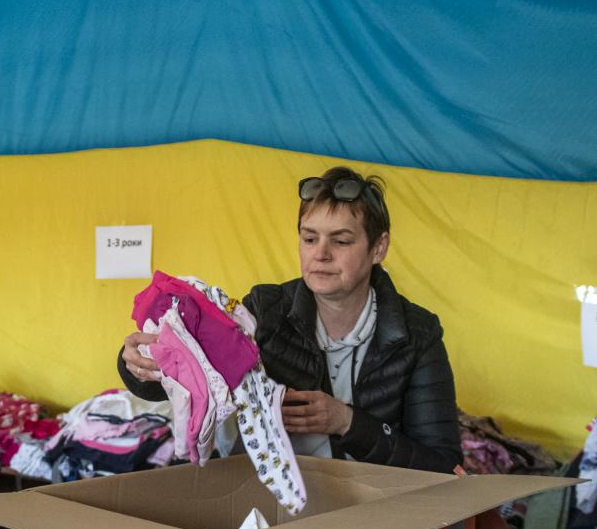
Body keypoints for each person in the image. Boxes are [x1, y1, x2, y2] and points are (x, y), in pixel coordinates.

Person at [118, 166, 462, 472]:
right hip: (262, 503)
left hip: (366, 512)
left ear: (379, 248)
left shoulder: (418, 334)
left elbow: (443, 464)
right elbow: (191, 374)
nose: (320, 254)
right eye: (309, 238)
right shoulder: (265, 310)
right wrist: (138, 363)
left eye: (341, 240)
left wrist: (347, 422)